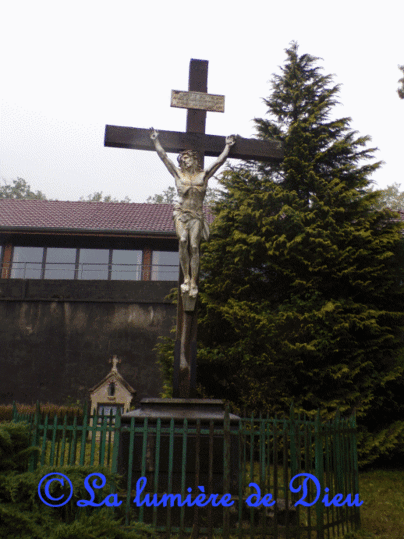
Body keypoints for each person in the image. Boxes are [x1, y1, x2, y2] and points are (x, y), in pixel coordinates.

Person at [149, 128, 236, 298]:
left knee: (194, 246)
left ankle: (194, 281)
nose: (184, 161)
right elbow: (164, 157)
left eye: (187, 158)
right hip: (181, 213)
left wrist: (227, 146)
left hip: (196, 215)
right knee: (182, 240)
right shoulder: (178, 174)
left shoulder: (203, 176)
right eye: (182, 159)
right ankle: (186, 279)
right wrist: (155, 140)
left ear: (194, 159)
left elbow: (219, 161)